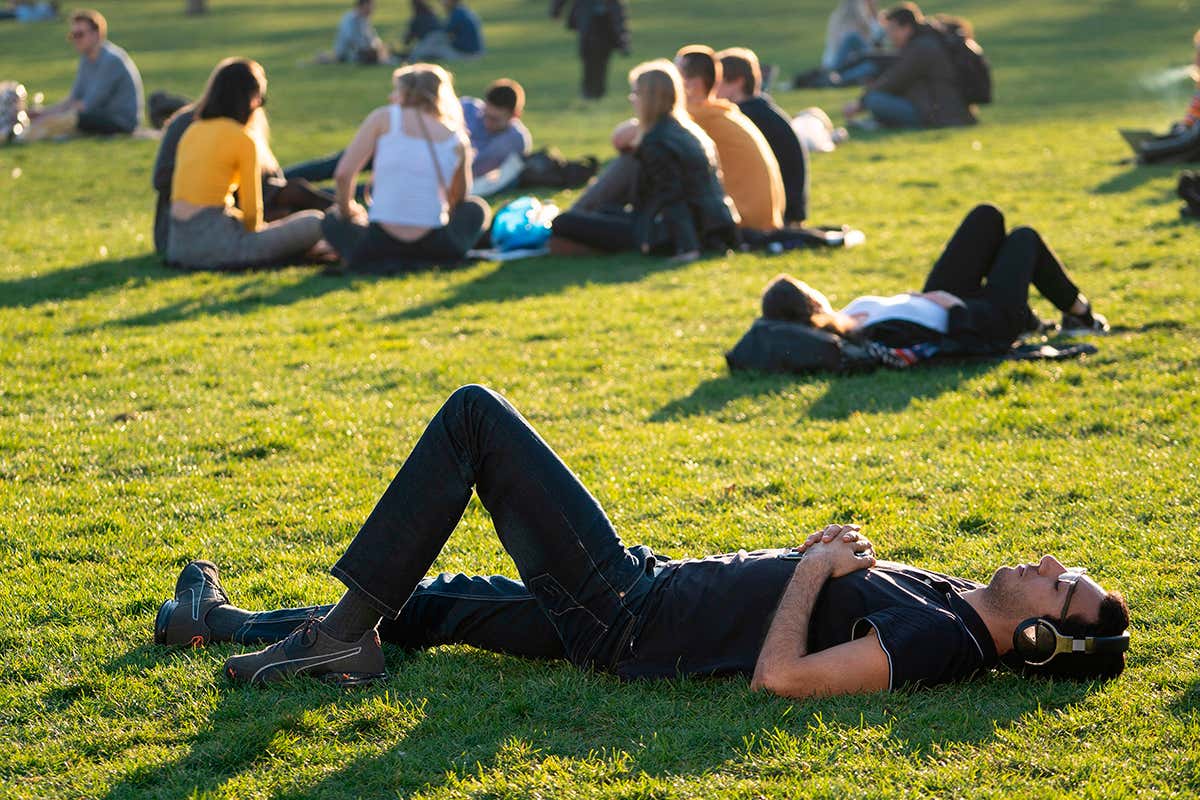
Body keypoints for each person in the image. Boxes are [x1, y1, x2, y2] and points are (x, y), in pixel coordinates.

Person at [153, 382, 1131, 695]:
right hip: (646, 598)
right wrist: (828, 555)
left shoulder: (940, 644)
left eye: (1062, 588)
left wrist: (812, 570)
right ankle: (224, 619)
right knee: (442, 600)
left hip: (634, 615)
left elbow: (780, 678)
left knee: (475, 419)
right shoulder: (956, 600)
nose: (1050, 565)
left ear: (1040, 639)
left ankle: (339, 638)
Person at [760, 204, 1110, 362]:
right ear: (811, 304)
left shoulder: (849, 316)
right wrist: (956, 309)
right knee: (1023, 238)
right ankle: (1081, 315)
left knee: (986, 217)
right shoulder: (869, 339)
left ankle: (1042, 319)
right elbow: (948, 345)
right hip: (982, 320)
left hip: (948, 300)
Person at [549, 60, 737, 261]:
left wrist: (687, 248)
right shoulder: (686, 131)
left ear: (650, 98)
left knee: (564, 222)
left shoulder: (657, 142)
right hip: (710, 225)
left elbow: (673, 197)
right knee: (604, 210)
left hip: (668, 232)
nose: (632, 99)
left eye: (636, 93)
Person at [318, 63, 491, 272]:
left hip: (377, 243)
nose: (391, 97)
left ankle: (377, 259)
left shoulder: (383, 118)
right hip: (435, 244)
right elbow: (459, 198)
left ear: (406, 93)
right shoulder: (457, 138)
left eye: (396, 91)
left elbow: (343, 175)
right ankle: (431, 259)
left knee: (331, 219)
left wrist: (348, 212)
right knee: (476, 208)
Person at [166, 59, 326, 270]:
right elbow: (253, 214)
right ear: (251, 100)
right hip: (217, 246)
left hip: (177, 245)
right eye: (261, 99)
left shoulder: (192, 131)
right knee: (315, 222)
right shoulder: (243, 139)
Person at [151, 102, 334, 258]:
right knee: (301, 219)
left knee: (295, 193)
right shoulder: (190, 126)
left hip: (231, 214)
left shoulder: (239, 129)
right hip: (196, 224)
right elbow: (162, 178)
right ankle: (338, 225)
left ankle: (344, 215)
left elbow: (267, 177)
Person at [675, 45, 785, 232]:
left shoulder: (698, 117)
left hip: (745, 220)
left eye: (674, 77)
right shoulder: (722, 113)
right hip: (765, 216)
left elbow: (626, 138)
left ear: (692, 83)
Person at [842, 2, 974, 129]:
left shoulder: (921, 48)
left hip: (939, 115)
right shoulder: (926, 42)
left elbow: (895, 79)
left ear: (907, 28)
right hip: (946, 111)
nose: (890, 36)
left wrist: (860, 104)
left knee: (874, 99)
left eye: (892, 30)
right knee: (876, 94)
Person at [716, 47, 809, 226]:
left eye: (717, 82)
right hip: (789, 210)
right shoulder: (765, 112)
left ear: (737, 82)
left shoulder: (746, 119)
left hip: (779, 213)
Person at [25, 9, 143, 141]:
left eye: (80, 34)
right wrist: (44, 112)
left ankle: (25, 136)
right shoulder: (86, 59)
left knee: (71, 119)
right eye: (73, 35)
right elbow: (73, 99)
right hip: (97, 117)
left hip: (121, 122)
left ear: (97, 34)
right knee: (66, 120)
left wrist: (50, 117)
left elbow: (89, 105)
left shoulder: (111, 60)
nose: (75, 40)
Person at [550, 0, 631, 100]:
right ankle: (588, 91)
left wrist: (623, 39)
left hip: (606, 21)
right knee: (588, 57)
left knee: (602, 58)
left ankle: (598, 91)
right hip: (588, 19)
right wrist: (556, 10)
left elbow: (618, 14)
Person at [460, 78, 532, 180]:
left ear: (515, 115)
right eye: (485, 115)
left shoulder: (516, 141)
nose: (487, 122)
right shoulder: (466, 109)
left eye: (495, 119)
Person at [410, 0, 483, 61]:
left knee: (434, 40)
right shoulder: (465, 11)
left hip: (467, 55)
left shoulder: (458, 13)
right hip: (475, 52)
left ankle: (412, 57)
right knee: (435, 40)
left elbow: (443, 31)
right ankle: (413, 56)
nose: (442, 3)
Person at [332, 0, 391, 65]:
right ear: (363, 5)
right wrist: (369, 48)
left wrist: (379, 46)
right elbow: (351, 40)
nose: (372, 9)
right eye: (371, 6)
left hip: (360, 52)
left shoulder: (364, 20)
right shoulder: (350, 19)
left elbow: (372, 38)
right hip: (348, 54)